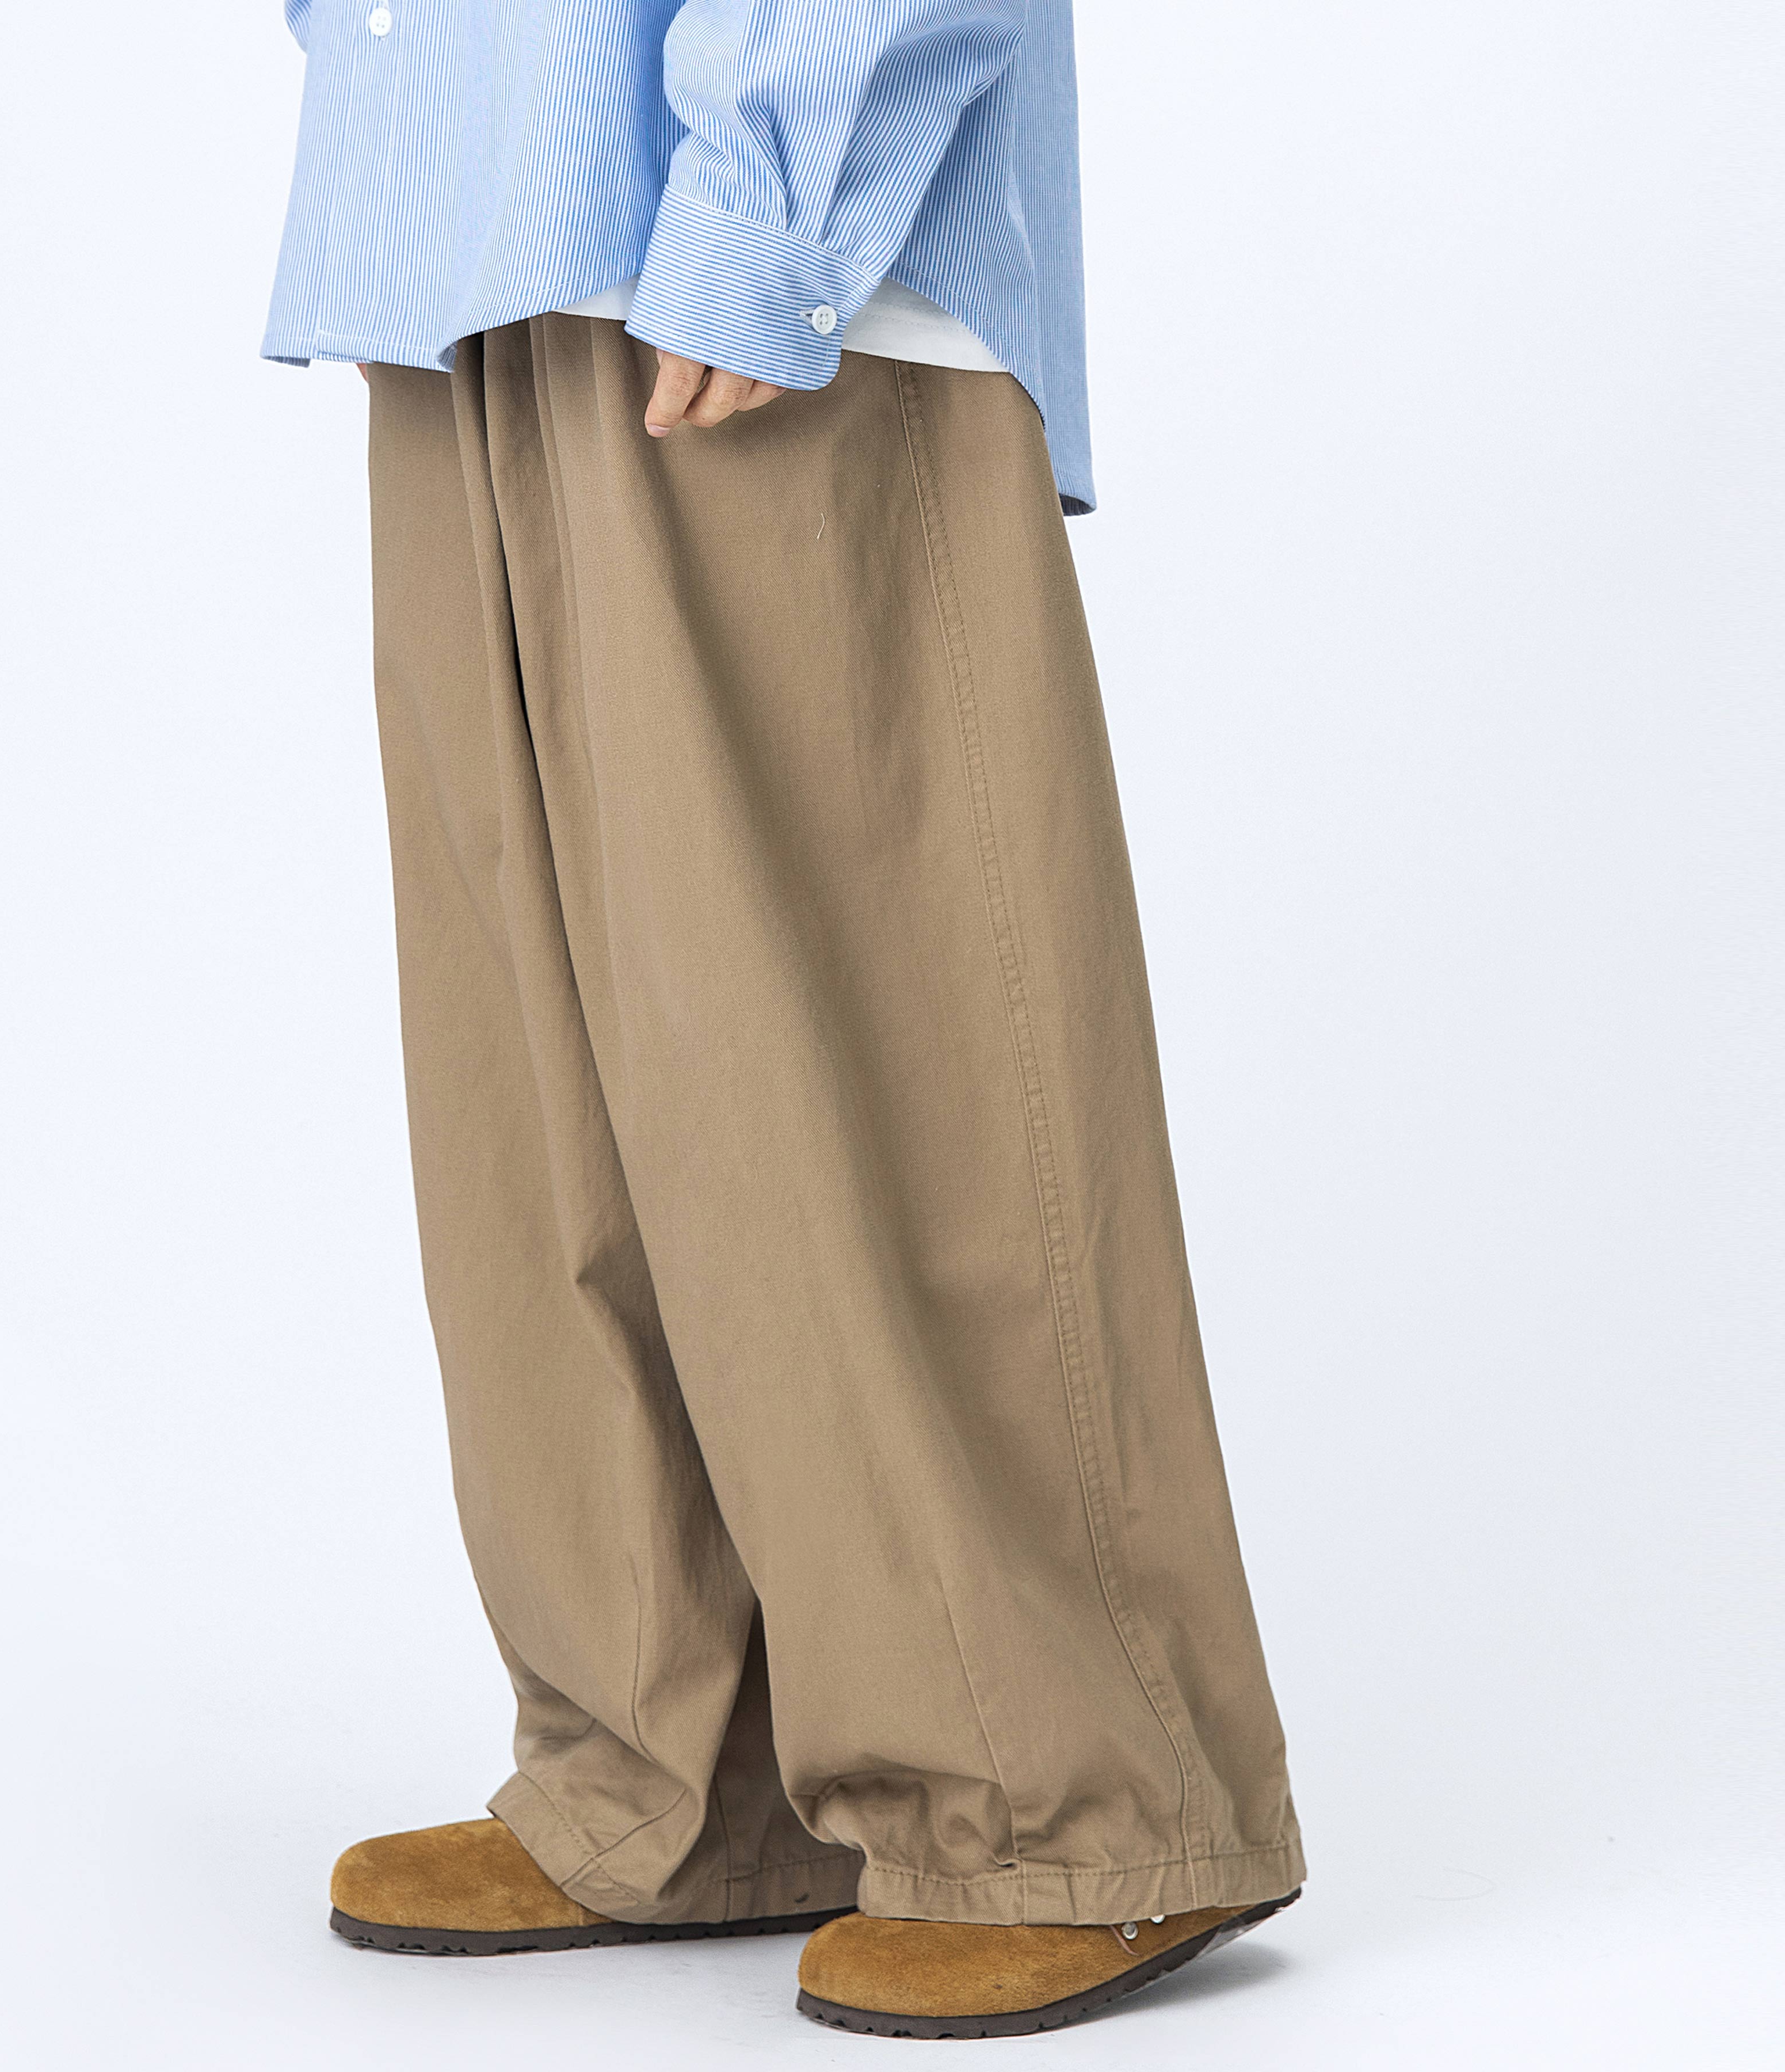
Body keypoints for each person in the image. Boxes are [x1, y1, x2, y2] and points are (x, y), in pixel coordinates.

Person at [264, 0, 1303, 2039]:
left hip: (741, 190)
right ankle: (682, 1769)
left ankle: (1072, 1805)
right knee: (553, 1086)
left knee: (880, 1064)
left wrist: (771, 197)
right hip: (468, 210)